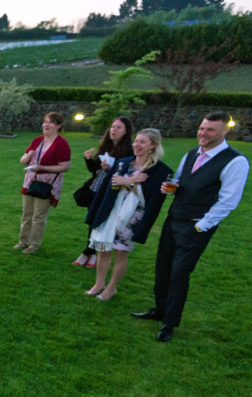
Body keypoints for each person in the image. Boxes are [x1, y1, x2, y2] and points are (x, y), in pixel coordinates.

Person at [132, 111, 249, 342]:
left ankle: (169, 323)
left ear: (225, 131)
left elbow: (228, 201)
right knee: (163, 267)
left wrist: (202, 225)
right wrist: (170, 186)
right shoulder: (191, 153)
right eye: (202, 128)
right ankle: (160, 310)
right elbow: (179, 181)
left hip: (196, 226)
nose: (203, 133)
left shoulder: (235, 161)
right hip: (174, 219)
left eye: (210, 130)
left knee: (179, 274)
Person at [83, 128, 169, 301]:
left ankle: (111, 288)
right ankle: (99, 283)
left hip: (133, 217)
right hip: (111, 211)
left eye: (142, 142)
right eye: (136, 141)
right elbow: (110, 185)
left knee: (121, 252)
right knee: (103, 249)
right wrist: (129, 181)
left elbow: (151, 199)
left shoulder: (160, 170)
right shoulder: (123, 162)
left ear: (152, 146)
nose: (137, 145)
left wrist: (128, 182)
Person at [73, 117, 134, 268]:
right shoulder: (107, 146)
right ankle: (92, 252)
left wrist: (109, 169)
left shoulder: (128, 151)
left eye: (118, 127)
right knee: (92, 222)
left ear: (126, 131)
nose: (114, 130)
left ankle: (88, 252)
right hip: (95, 189)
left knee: (98, 223)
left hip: (109, 192)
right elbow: (94, 169)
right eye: (113, 127)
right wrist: (88, 159)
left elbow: (125, 172)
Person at [15, 112, 71, 254]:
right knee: (26, 214)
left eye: (51, 122)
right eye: (45, 121)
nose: (46, 125)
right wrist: (28, 156)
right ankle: (23, 241)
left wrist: (43, 168)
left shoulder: (61, 144)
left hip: (47, 184)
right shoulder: (37, 140)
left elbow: (65, 166)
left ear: (58, 126)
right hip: (30, 181)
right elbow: (22, 160)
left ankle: (34, 245)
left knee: (38, 216)